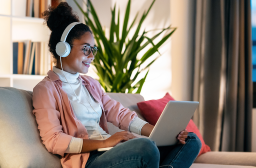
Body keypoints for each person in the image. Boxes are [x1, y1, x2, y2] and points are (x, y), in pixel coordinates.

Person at [32, 2, 201, 168]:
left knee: (191, 141)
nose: (91, 55)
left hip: (114, 150)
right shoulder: (46, 89)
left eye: (93, 49)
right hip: (90, 159)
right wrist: (105, 142)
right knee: (145, 147)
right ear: (64, 49)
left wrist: (166, 134)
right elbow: (53, 140)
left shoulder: (91, 84)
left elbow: (120, 115)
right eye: (86, 49)